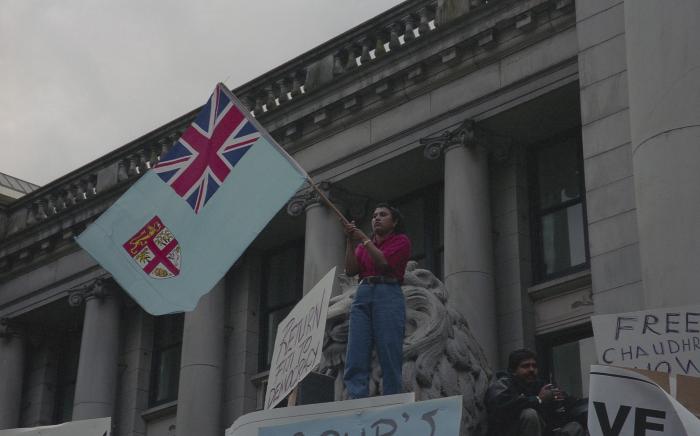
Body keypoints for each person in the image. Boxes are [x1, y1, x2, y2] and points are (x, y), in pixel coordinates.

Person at [342, 203, 411, 399]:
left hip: (387, 291)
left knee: (389, 350)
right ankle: (357, 400)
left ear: (394, 221)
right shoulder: (364, 246)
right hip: (363, 291)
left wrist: (362, 238)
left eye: (383, 215)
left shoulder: (401, 241)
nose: (376, 218)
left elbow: (383, 263)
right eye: (374, 216)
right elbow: (350, 270)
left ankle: (392, 399)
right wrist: (349, 240)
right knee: (356, 350)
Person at [485, 349, 587, 436]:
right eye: (525, 366)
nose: (531, 369)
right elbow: (501, 405)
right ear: (513, 371)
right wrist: (538, 399)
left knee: (574, 427)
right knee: (529, 414)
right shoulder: (503, 384)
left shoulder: (542, 386)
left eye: (534, 366)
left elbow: (571, 404)